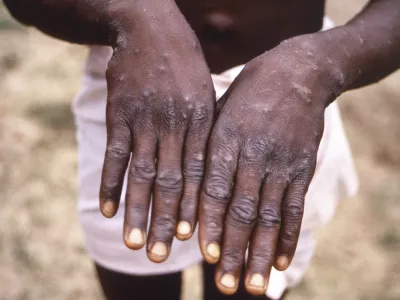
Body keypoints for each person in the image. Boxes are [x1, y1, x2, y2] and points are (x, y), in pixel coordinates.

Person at [4, 0, 400, 299]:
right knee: (134, 278)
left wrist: (319, 66)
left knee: (249, 283)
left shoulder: (307, 79)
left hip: (287, 109)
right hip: (141, 91)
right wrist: (130, 12)